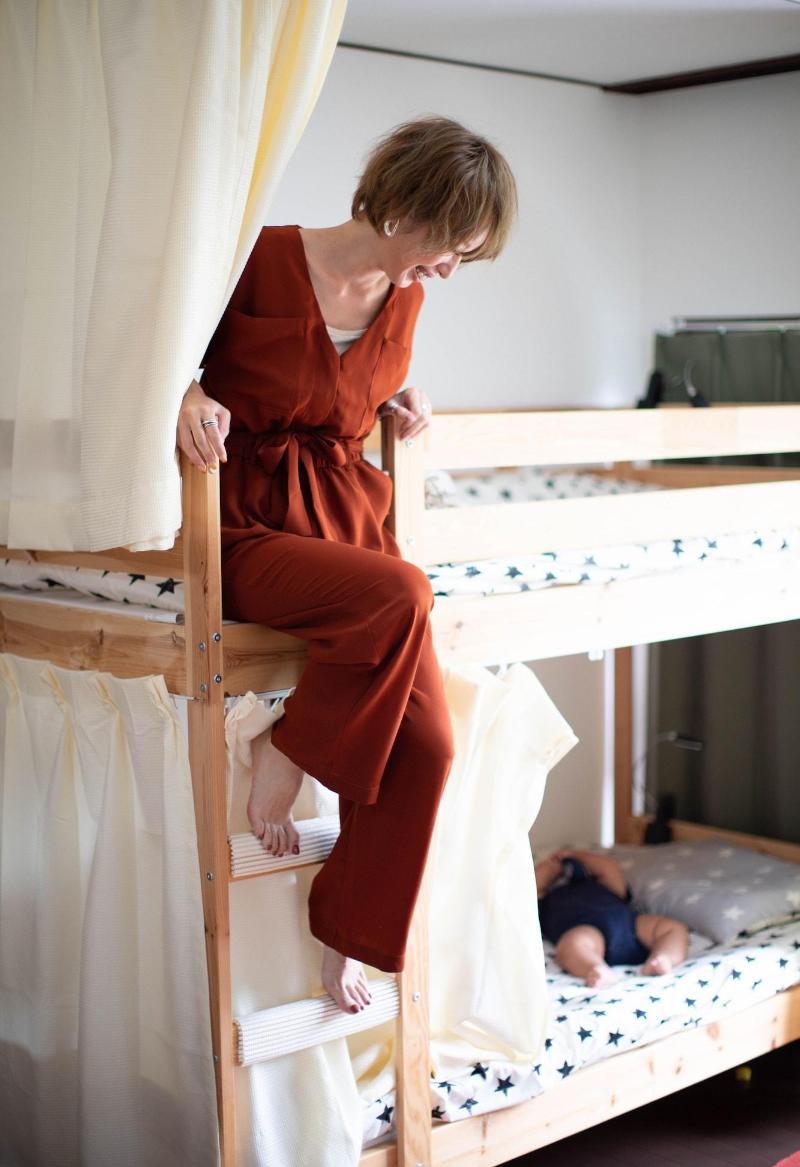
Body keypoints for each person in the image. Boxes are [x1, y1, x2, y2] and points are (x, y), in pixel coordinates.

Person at [175, 116, 518, 1014]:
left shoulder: (406, 303)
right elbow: (156, 357)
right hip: (246, 523)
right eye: (451, 247)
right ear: (408, 206)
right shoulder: (253, 258)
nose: (449, 271)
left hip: (346, 528)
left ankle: (347, 934)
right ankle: (287, 751)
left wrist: (405, 396)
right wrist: (186, 391)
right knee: (402, 591)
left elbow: (346, 396)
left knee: (432, 745)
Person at [536, 848, 689, 987]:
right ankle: (595, 968)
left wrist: (577, 855)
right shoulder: (543, 900)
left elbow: (608, 868)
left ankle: (663, 958)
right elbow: (533, 883)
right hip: (586, 932)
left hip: (629, 925)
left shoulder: (602, 885)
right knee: (571, 945)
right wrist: (551, 865)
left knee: (672, 928)